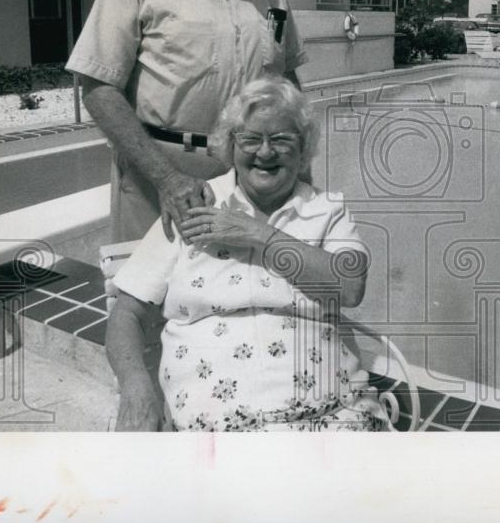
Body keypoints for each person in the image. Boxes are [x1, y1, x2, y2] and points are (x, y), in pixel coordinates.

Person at [105, 77, 388, 432]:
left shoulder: (326, 211)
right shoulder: (192, 205)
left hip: (331, 406)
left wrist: (259, 234)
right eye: (251, 139)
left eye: (282, 140)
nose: (265, 153)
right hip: (219, 412)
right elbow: (126, 313)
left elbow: (350, 287)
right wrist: (136, 387)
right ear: (230, 145)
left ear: (303, 150)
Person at [66, 0, 307, 243]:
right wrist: (167, 180)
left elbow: (286, 81)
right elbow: (98, 87)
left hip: (252, 174)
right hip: (158, 176)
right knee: (149, 300)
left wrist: (298, 163)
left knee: (239, 298)